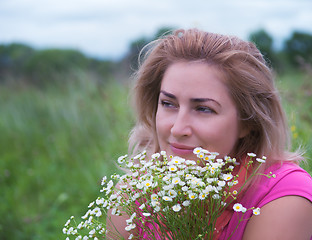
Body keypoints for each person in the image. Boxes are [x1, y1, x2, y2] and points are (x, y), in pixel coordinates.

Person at [107, 28, 312, 240]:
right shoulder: (133, 194)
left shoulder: (284, 195)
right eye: (168, 104)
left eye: (203, 109)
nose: (178, 129)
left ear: (247, 122)